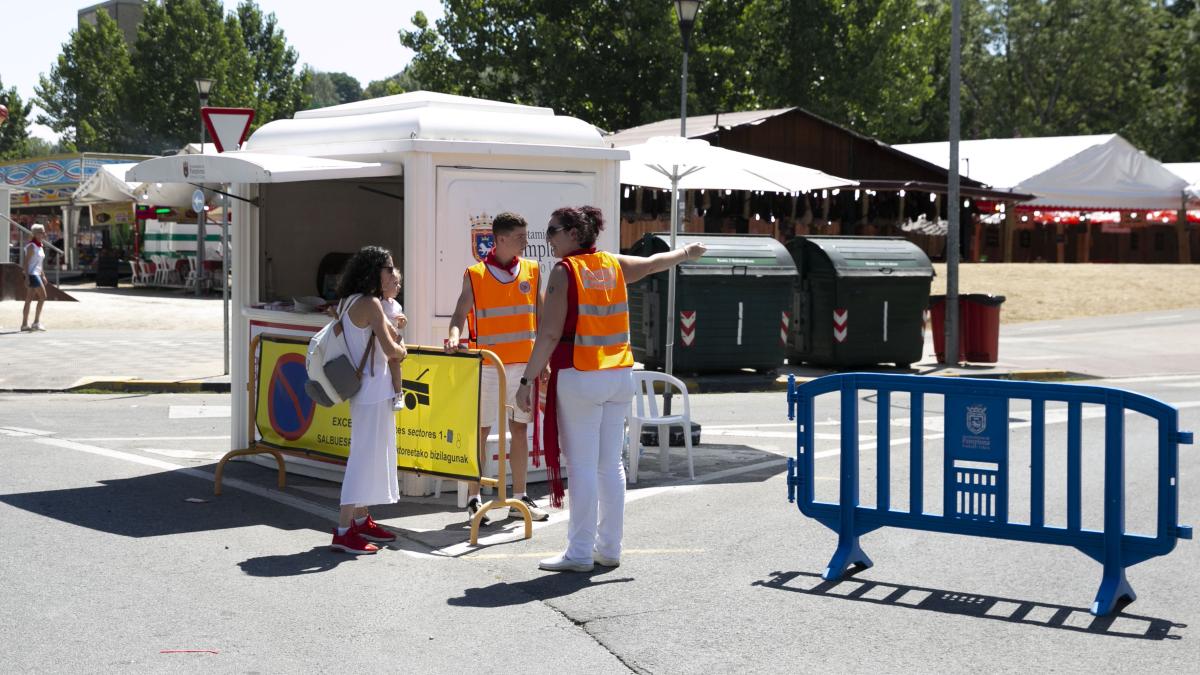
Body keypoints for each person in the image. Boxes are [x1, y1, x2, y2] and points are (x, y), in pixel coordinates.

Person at [515, 206, 705, 572]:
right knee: (610, 466)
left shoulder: (564, 271)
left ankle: (580, 553)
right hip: (619, 374)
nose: (548, 237)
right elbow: (652, 263)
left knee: (584, 467)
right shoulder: (611, 264)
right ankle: (610, 548)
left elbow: (550, 333)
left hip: (580, 375)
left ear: (573, 233)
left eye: (553, 230)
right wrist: (686, 254)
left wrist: (527, 379)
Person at [446, 212, 550, 524]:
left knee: (519, 429)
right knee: (482, 430)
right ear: (501, 238)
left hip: (524, 367)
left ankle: (520, 497)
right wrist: (453, 338)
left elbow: (542, 321)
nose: (525, 241)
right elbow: (457, 317)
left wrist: (542, 362)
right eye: (520, 236)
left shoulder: (532, 270)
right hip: (488, 366)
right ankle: (475, 498)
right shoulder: (475, 274)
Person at [330, 246, 409, 554]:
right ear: (374, 272)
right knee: (363, 458)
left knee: (366, 454)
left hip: (362, 388)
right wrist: (402, 349)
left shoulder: (348, 301)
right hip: (375, 388)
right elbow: (393, 350)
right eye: (388, 269)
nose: (393, 273)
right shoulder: (372, 304)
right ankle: (343, 528)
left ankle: (361, 520)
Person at [381, 273, 408, 408]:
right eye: (395, 283)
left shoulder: (397, 305)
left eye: (399, 283)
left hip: (395, 339)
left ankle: (399, 394)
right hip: (382, 341)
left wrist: (403, 323)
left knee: (395, 361)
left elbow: (399, 327)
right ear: (384, 286)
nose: (399, 286)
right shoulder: (378, 303)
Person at [21, 224, 48, 332]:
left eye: (43, 231)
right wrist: (26, 277)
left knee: (29, 300)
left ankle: (24, 324)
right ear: (35, 234)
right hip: (32, 274)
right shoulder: (31, 246)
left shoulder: (39, 246)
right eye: (41, 232)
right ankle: (36, 322)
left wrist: (43, 275)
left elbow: (39, 263)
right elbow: (26, 263)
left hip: (37, 274)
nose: (44, 233)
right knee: (43, 297)